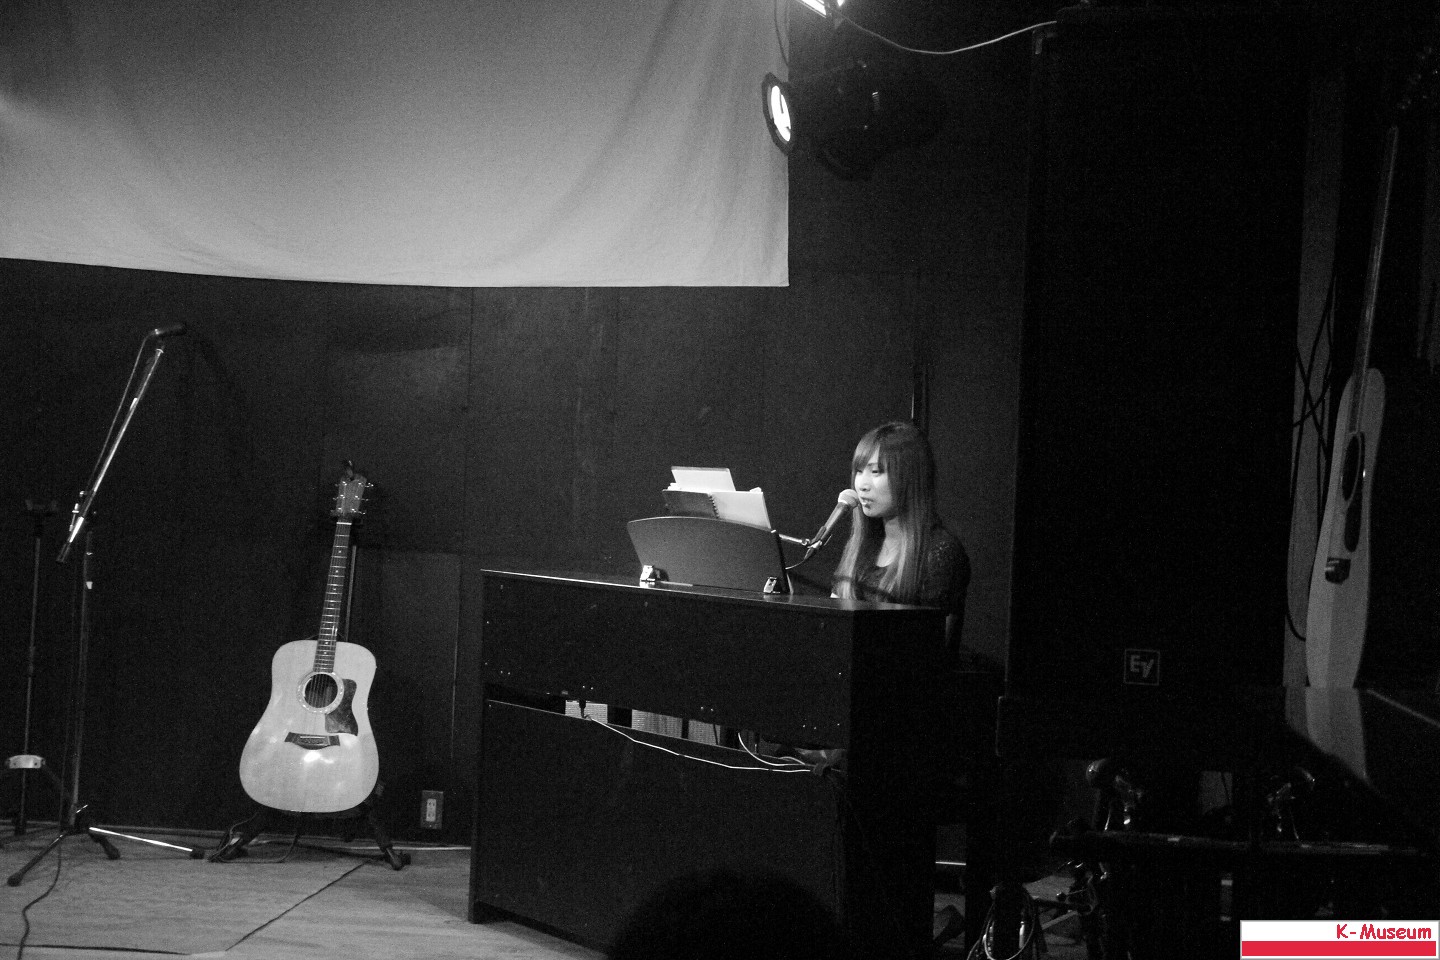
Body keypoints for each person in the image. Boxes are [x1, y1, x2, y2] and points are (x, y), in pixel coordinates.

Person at [831, 420, 971, 658]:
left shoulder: (939, 551)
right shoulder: (862, 545)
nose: (862, 484)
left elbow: (933, 652)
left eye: (876, 472)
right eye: (859, 471)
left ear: (909, 477)